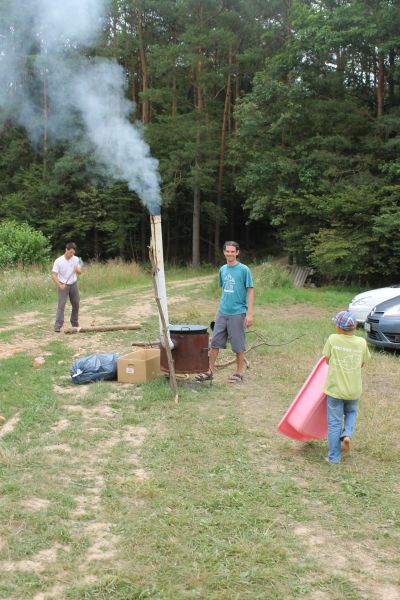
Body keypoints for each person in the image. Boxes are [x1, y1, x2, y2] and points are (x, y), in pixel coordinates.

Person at [196, 241, 254, 383]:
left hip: (238, 312)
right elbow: (224, 290)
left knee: (238, 345)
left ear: (237, 252)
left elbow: (250, 291)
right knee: (215, 342)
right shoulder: (222, 269)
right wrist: (221, 307)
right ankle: (209, 371)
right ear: (224, 252)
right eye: (227, 251)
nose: (230, 253)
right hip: (222, 312)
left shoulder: (244, 270)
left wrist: (249, 313)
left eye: (232, 251)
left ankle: (239, 373)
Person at [322, 310, 370, 464]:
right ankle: (347, 434)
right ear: (354, 327)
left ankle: (334, 457)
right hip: (353, 390)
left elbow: (326, 360)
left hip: (335, 390)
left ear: (338, 327)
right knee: (351, 412)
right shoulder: (361, 342)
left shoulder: (333, 339)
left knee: (334, 422)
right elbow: (362, 363)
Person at [51, 242, 82, 332]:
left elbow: (80, 271)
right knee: (61, 305)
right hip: (62, 284)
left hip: (73, 284)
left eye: (73, 253)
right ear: (66, 250)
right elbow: (53, 275)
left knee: (76, 304)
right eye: (70, 252)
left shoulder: (77, 259)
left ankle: (74, 323)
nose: (72, 254)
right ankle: (57, 326)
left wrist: (77, 270)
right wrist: (59, 285)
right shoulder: (58, 261)